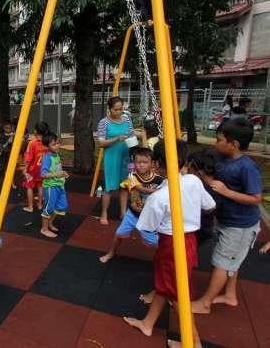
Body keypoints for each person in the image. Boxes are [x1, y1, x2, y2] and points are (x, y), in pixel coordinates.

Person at [124, 140, 215, 348]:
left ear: (155, 164)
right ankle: (148, 323)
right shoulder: (193, 180)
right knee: (165, 286)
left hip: (171, 246)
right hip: (190, 241)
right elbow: (210, 206)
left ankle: (194, 343)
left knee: (177, 296)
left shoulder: (159, 197)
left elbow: (146, 226)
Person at [192, 118, 262, 315]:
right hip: (226, 220)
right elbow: (217, 181)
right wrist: (206, 179)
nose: (216, 143)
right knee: (231, 260)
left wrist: (225, 191)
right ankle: (230, 295)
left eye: (219, 140)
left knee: (222, 261)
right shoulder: (224, 159)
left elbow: (256, 198)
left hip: (241, 226)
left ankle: (206, 303)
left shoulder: (247, 167)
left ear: (234, 145)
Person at [99, 147, 163, 263]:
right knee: (119, 234)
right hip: (132, 213)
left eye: (145, 162)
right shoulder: (132, 177)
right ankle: (111, 252)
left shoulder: (159, 179)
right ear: (134, 163)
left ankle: (161, 257)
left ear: (152, 163)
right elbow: (139, 189)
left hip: (148, 217)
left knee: (156, 241)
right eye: (138, 162)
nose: (141, 165)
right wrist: (123, 211)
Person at [97, 96, 134, 226]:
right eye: (116, 110)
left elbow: (132, 136)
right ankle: (104, 213)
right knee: (109, 186)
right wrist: (116, 139)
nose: (118, 112)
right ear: (110, 109)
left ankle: (123, 213)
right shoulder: (104, 122)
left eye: (120, 109)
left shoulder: (127, 119)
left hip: (126, 157)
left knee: (124, 186)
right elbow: (101, 143)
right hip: (111, 158)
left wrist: (135, 140)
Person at [39, 132, 69, 238]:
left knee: (62, 206)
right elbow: (43, 174)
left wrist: (62, 173)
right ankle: (44, 229)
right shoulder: (47, 158)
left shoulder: (56, 155)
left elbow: (56, 169)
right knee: (49, 208)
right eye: (54, 144)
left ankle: (49, 223)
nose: (57, 146)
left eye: (57, 143)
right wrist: (58, 174)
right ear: (47, 146)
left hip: (59, 185)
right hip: (51, 186)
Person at [23, 121, 49, 213]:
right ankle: (40, 205)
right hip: (42, 169)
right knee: (40, 186)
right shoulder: (47, 142)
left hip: (32, 169)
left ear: (36, 131)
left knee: (29, 186)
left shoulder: (32, 143)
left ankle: (30, 207)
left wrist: (25, 168)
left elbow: (28, 158)